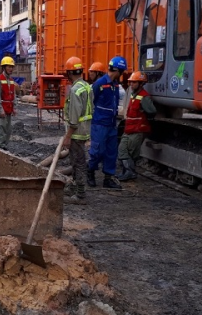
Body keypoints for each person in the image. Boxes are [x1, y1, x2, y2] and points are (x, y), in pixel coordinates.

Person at [87, 55, 127, 190]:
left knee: (111, 152)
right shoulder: (100, 84)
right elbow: (90, 102)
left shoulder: (115, 85)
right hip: (99, 123)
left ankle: (108, 178)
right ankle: (90, 172)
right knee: (97, 150)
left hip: (111, 124)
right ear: (118, 71)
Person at [63, 56, 93, 204]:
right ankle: (75, 187)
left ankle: (80, 194)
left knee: (78, 162)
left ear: (69, 73)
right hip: (85, 130)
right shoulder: (87, 86)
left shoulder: (75, 90)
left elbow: (74, 118)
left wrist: (67, 136)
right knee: (76, 160)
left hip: (76, 132)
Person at [116, 71, 156, 181]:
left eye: (134, 82)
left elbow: (152, 111)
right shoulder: (135, 95)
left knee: (129, 152)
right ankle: (128, 172)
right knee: (122, 149)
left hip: (137, 130)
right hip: (130, 129)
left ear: (141, 83)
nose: (131, 84)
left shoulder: (144, 97)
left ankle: (129, 172)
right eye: (131, 82)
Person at [0, 56, 18, 150]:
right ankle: (0, 147)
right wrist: (0, 110)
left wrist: (14, 107)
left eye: (12, 67)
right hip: (1, 110)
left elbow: (13, 95)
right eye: (8, 67)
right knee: (1, 129)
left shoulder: (11, 81)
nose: (11, 69)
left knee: (8, 130)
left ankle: (4, 146)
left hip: (8, 109)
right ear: (3, 67)